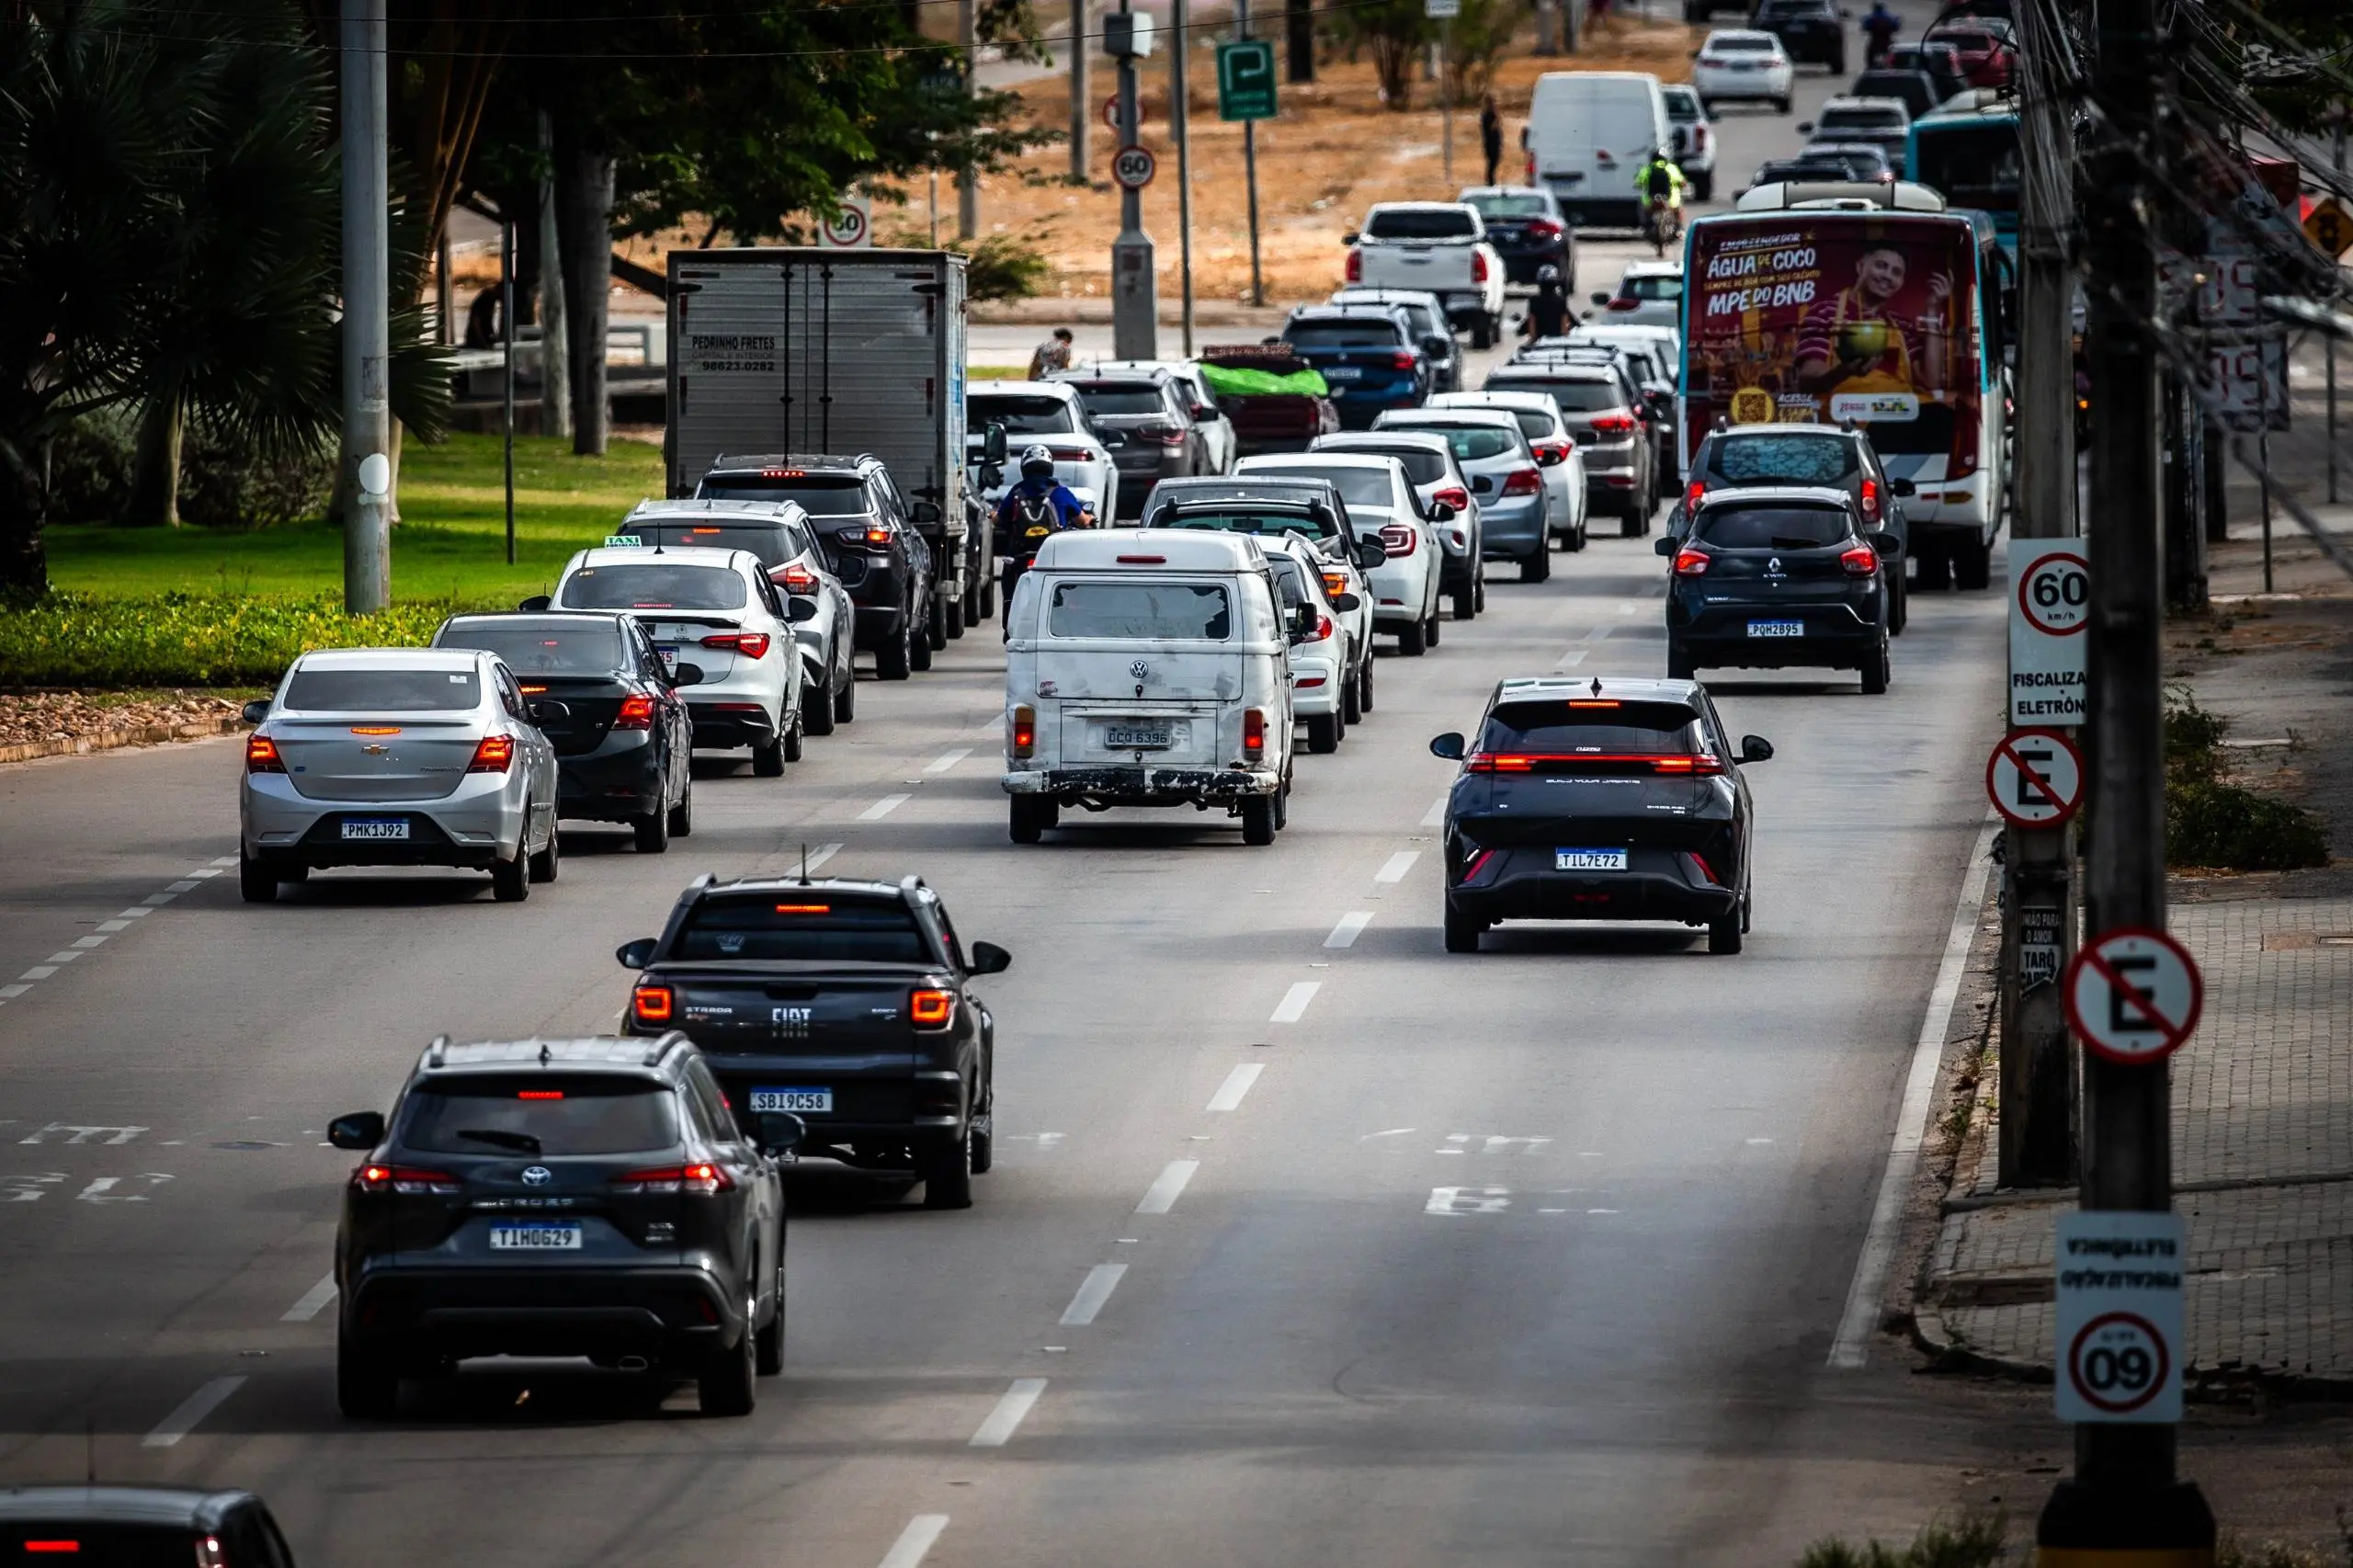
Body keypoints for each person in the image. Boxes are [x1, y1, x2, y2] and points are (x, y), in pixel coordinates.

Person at [1792, 245, 1953, 403]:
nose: (1888, 276)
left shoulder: (1901, 324)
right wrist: (1843, 372)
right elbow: (1807, 383)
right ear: (1860, 266)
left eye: (1896, 272)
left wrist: (1932, 310)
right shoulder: (1824, 312)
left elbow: (1931, 381)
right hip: (1846, 414)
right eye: (1881, 266)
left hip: (1898, 411)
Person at [994, 445, 1092, 628]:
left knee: (1009, 580)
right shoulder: (1060, 492)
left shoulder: (1016, 492)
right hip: (1053, 554)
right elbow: (1082, 521)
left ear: (1024, 468)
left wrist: (995, 517)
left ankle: (1009, 625)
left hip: (1020, 553)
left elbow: (999, 519)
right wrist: (1090, 517)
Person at [1636, 146, 1688, 255]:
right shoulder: (1671, 168)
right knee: (1679, 210)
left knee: (1643, 210)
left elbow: (1639, 182)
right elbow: (1682, 182)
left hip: (1650, 201)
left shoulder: (1647, 169)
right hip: (1671, 201)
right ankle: (1679, 229)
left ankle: (1645, 226)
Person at [1522, 264, 1573, 341]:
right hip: (1558, 343)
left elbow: (1532, 326)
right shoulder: (1561, 301)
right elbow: (1564, 327)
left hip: (1539, 344)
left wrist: (1532, 341)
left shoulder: (1534, 301)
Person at [1860, 1, 1900, 66]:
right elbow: (1897, 28)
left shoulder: (1871, 18)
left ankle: (1870, 66)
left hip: (1875, 40)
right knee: (1893, 53)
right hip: (1887, 40)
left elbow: (1864, 28)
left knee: (1870, 56)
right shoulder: (1890, 17)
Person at [1479, 96, 1505, 187]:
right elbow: (1492, 127)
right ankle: (1490, 182)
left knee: (1495, 161)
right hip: (1490, 143)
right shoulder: (1487, 115)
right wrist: (1497, 117)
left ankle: (1491, 181)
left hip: (1495, 143)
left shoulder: (1491, 114)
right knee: (1492, 162)